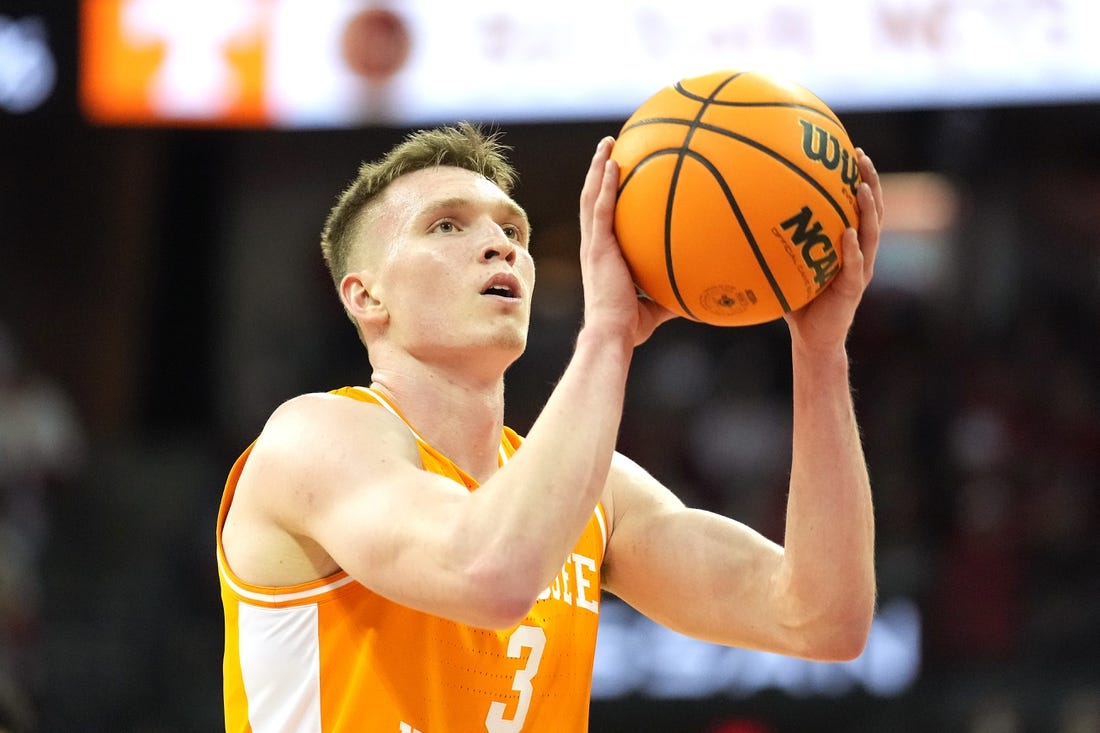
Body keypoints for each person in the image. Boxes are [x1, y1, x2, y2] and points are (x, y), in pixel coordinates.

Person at [216, 122, 883, 732]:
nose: (496, 244)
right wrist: (609, 337)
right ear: (367, 296)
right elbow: (488, 571)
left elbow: (823, 619)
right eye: (446, 226)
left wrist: (820, 356)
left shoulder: (593, 494)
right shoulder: (316, 436)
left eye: (514, 230)